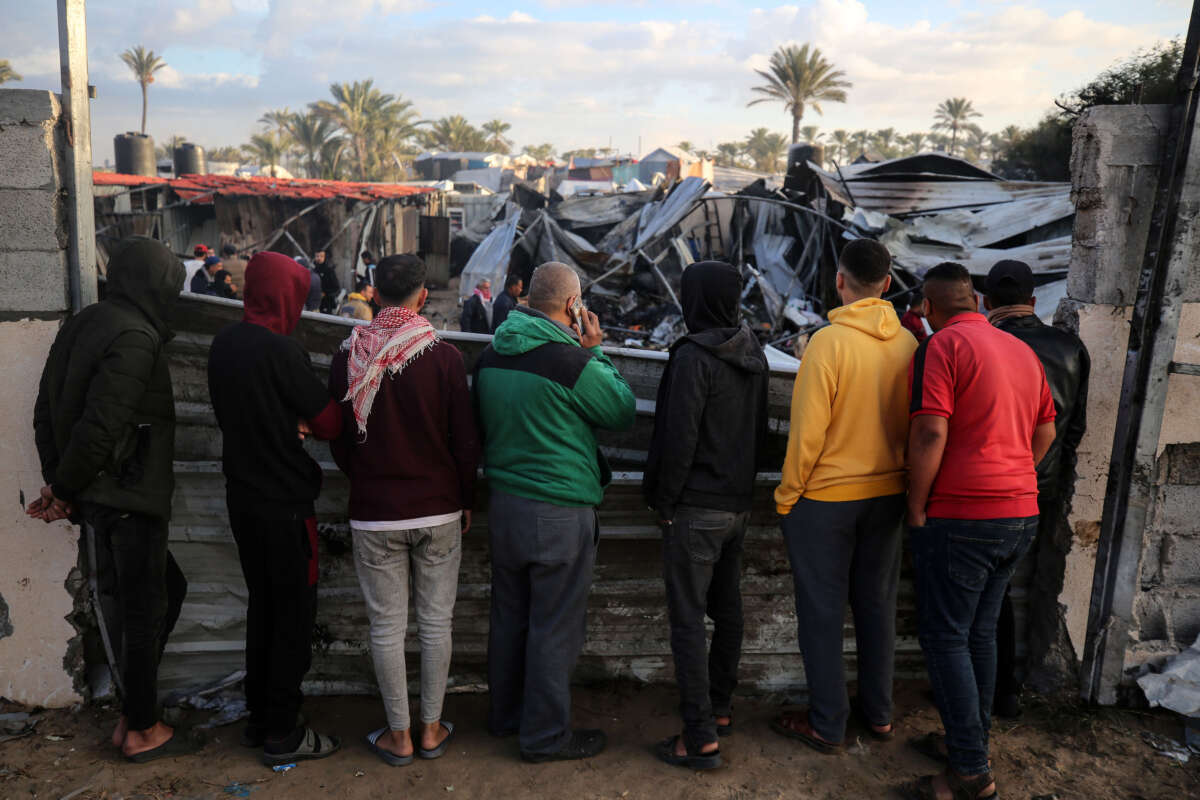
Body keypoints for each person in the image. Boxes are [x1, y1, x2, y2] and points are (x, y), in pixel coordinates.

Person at [30, 236, 190, 763]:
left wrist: (63, 485)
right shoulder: (136, 336)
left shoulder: (85, 322)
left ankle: (131, 712)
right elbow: (101, 425)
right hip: (130, 496)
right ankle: (141, 727)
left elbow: (45, 411)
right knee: (144, 609)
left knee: (161, 590)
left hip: (103, 495)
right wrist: (65, 489)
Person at [901, 261, 1056, 800]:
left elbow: (928, 432)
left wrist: (916, 505)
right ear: (976, 299)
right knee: (980, 635)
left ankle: (968, 772)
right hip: (1020, 513)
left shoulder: (941, 347)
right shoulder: (1021, 350)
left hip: (964, 516)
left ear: (929, 307)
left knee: (946, 638)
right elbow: (1046, 428)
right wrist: (1017, 478)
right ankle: (970, 742)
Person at [474, 262, 636, 762]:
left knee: (511, 618)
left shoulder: (489, 357)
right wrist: (596, 349)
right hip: (559, 514)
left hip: (505, 508)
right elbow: (622, 411)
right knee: (553, 627)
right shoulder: (572, 363)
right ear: (573, 306)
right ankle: (545, 737)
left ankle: (506, 717)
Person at [328, 254, 480, 767]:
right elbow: (466, 443)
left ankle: (399, 736)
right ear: (421, 296)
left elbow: (341, 442)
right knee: (437, 623)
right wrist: (465, 499)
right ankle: (432, 728)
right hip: (438, 510)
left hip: (374, 512)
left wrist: (368, 479)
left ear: (373, 293)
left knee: (386, 627)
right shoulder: (444, 357)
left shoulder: (349, 353)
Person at [770, 238, 918, 754]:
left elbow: (806, 435)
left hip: (828, 499)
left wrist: (788, 497)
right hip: (888, 495)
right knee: (876, 606)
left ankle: (827, 723)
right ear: (887, 282)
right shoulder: (907, 344)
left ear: (839, 280)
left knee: (822, 613)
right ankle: (878, 715)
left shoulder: (828, 343)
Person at [207, 252, 345, 767]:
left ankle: (259, 717)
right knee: (292, 619)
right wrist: (302, 418)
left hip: (242, 499)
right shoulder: (281, 352)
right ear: (288, 297)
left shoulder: (224, 344)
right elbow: (329, 421)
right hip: (286, 506)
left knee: (263, 610)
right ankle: (283, 733)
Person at [643, 261, 769, 770]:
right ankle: (718, 709)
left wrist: (665, 503)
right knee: (728, 611)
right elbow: (758, 433)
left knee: (689, 622)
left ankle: (698, 738)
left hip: (695, 508)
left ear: (693, 299)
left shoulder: (694, 357)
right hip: (736, 506)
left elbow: (678, 437)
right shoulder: (752, 351)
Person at [982, 260, 1090, 718]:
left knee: (989, 600)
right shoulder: (1069, 347)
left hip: (988, 488)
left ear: (987, 302)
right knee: (1002, 591)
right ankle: (1002, 691)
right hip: (1043, 488)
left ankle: (993, 692)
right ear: (1032, 301)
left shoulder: (984, 344)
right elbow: (1076, 426)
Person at [314, 250, 341, 314]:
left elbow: (336, 288)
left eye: (321, 256)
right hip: (314, 303)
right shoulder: (314, 270)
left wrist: (325, 293)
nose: (319, 258)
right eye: (317, 256)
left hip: (327, 303)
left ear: (325, 258)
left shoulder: (329, 271)